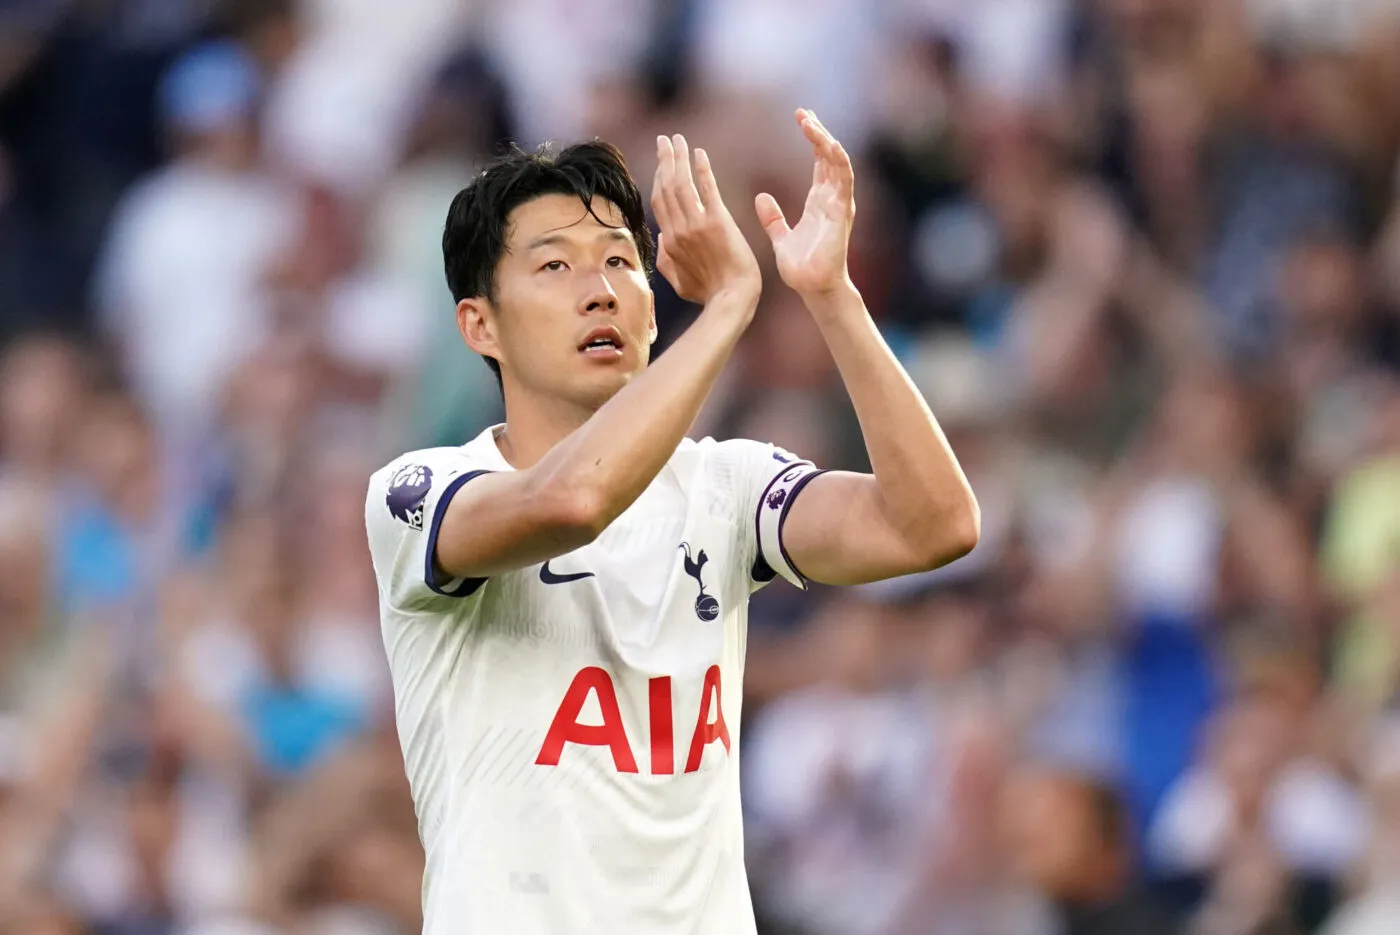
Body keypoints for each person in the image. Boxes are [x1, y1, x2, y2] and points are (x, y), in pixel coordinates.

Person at [362, 109, 980, 934]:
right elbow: (572, 501)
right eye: (555, 265)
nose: (603, 287)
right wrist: (728, 306)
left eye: (622, 260)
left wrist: (829, 294)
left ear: (653, 312)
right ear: (481, 324)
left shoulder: (724, 487)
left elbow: (933, 524)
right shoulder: (422, 491)